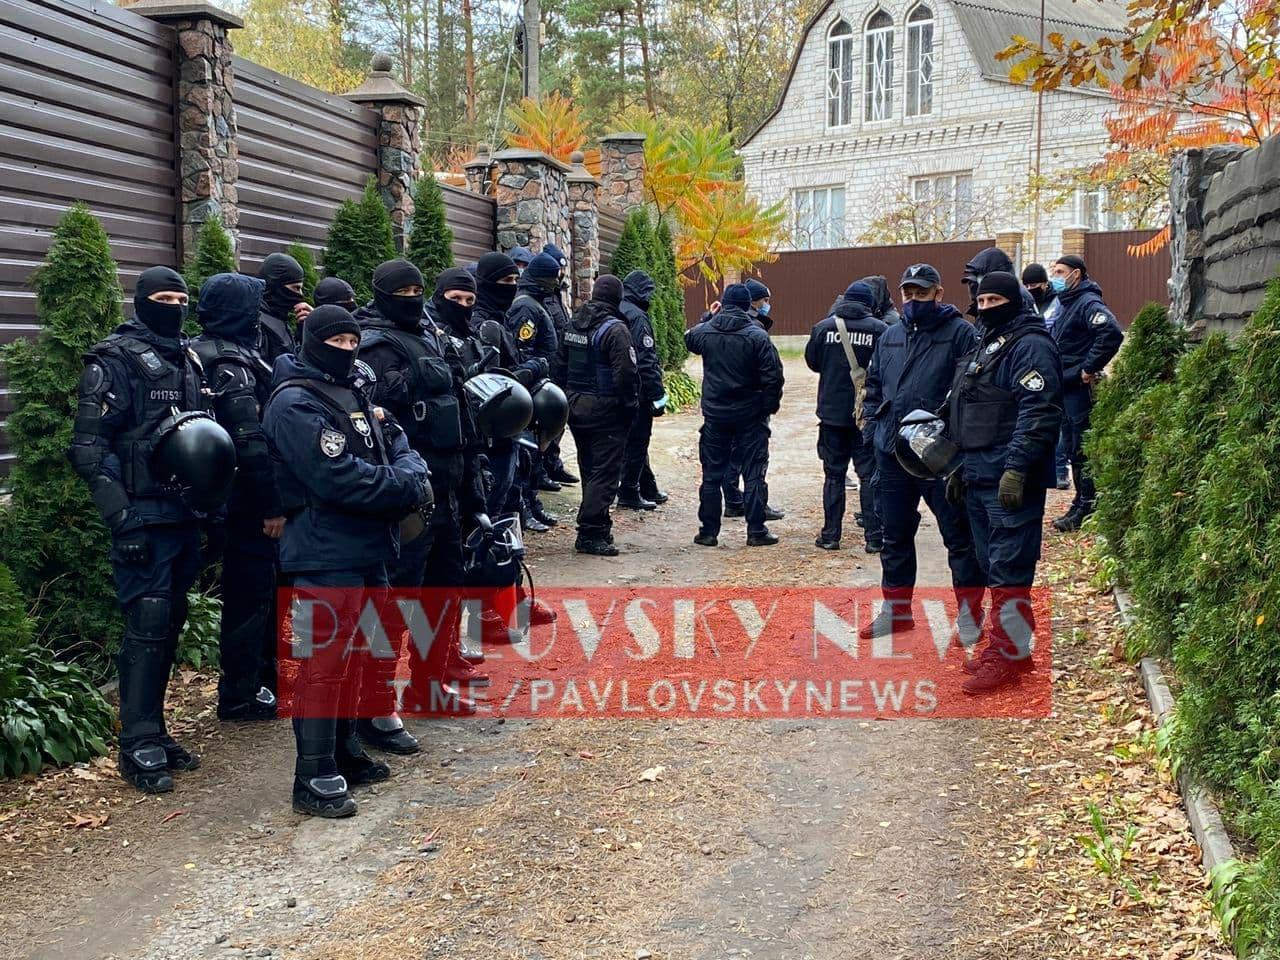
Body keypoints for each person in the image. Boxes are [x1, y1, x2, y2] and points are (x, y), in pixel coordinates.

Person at [263, 304, 431, 818]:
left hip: (368, 545)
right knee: (324, 661)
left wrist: (406, 471)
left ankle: (345, 749)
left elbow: (395, 441)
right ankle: (313, 773)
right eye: (336, 342)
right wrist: (405, 484)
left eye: (352, 342)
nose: (347, 350)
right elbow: (336, 477)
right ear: (314, 342)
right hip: (323, 549)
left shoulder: (352, 391)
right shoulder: (294, 402)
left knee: (363, 650)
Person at [68, 267, 222, 793]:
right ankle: (136, 743)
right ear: (140, 301)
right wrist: (122, 518)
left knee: (172, 623)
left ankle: (156, 729)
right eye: (163, 298)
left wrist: (212, 511)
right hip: (141, 518)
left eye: (181, 298)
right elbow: (89, 449)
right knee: (148, 622)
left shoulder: (189, 358)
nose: (174, 306)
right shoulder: (114, 361)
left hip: (182, 515)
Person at [946, 271, 1063, 693]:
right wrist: (958, 465)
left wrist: (1016, 469)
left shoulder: (1030, 345)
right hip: (978, 474)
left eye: (995, 300)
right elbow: (968, 407)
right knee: (992, 564)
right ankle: (1013, 650)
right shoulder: (988, 340)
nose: (986, 307)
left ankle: (1005, 657)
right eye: (982, 301)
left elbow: (1039, 411)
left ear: (1014, 301)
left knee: (1009, 571)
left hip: (1009, 480)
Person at [860, 264, 983, 639]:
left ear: (938, 293)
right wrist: (874, 425)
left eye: (921, 293)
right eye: (908, 293)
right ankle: (896, 611)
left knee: (958, 535)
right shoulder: (890, 335)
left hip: (938, 456)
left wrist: (953, 440)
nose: (913, 300)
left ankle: (969, 615)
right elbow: (874, 384)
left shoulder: (960, 333)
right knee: (894, 534)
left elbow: (971, 391)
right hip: (892, 452)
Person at [191, 272, 285, 723]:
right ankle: (242, 693)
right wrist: (271, 505)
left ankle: (260, 680)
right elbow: (249, 440)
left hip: (223, 495)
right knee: (252, 596)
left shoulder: (201, 351)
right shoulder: (230, 362)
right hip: (245, 501)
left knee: (255, 593)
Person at [686, 283, 785, 548]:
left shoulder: (707, 331)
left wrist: (708, 317)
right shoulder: (757, 336)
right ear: (747, 305)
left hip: (716, 415)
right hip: (750, 415)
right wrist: (767, 407)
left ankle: (708, 531)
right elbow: (773, 376)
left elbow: (689, 338)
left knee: (712, 474)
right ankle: (756, 530)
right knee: (754, 472)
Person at [553, 275, 638, 556]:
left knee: (589, 467)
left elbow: (559, 365)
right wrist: (629, 405)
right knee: (605, 472)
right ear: (618, 298)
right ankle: (590, 532)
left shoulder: (573, 324)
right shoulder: (615, 330)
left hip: (575, 406)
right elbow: (626, 373)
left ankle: (598, 526)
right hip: (606, 409)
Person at [1043, 254, 1124, 531]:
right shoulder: (1066, 303)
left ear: (1075, 274)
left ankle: (1088, 505)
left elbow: (1111, 332)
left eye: (1060, 272)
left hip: (1079, 388)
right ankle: (1081, 501)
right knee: (1072, 448)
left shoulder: (1087, 302)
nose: (1055, 277)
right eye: (1054, 271)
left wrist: (1088, 368)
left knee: (1082, 449)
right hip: (1066, 386)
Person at [805, 281, 887, 552]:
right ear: (869, 305)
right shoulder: (880, 330)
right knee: (869, 476)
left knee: (834, 476)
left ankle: (830, 536)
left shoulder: (823, 328)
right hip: (867, 416)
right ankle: (874, 538)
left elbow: (813, 362)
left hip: (831, 415)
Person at [506, 252, 564, 526]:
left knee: (534, 455)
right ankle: (524, 509)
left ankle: (532, 504)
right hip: (530, 390)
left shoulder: (536, 302)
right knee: (525, 456)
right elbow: (522, 351)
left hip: (539, 387)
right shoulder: (526, 307)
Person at [723, 278, 784, 522]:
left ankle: (733, 500)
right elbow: (772, 373)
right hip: (750, 403)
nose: (767, 305)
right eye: (765, 300)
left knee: (732, 455)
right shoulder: (754, 329)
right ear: (753, 302)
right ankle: (757, 508)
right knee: (755, 460)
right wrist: (769, 404)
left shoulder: (721, 325)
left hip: (724, 403)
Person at [618, 270, 669, 510]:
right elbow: (645, 359)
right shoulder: (637, 317)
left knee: (630, 441)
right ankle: (629, 491)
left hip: (616, 389)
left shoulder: (616, 309)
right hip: (638, 391)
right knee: (637, 442)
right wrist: (657, 395)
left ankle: (647, 486)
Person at [1022, 263, 1070, 489]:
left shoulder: (1059, 302)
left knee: (1058, 424)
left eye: (1035, 285)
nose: (1031, 289)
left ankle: (1060, 471)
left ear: (1045, 283)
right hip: (1032, 365)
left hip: (1056, 366)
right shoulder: (1026, 303)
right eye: (1027, 285)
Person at [538, 243, 579, 486]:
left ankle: (552, 464)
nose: (561, 274)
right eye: (558, 269)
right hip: (548, 368)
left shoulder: (556, 295)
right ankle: (541, 470)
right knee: (545, 423)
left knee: (558, 421)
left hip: (560, 366)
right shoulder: (542, 296)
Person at [257, 252, 311, 364]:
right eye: (296, 288)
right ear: (276, 285)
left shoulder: (277, 317)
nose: (300, 294)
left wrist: (305, 331)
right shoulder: (258, 324)